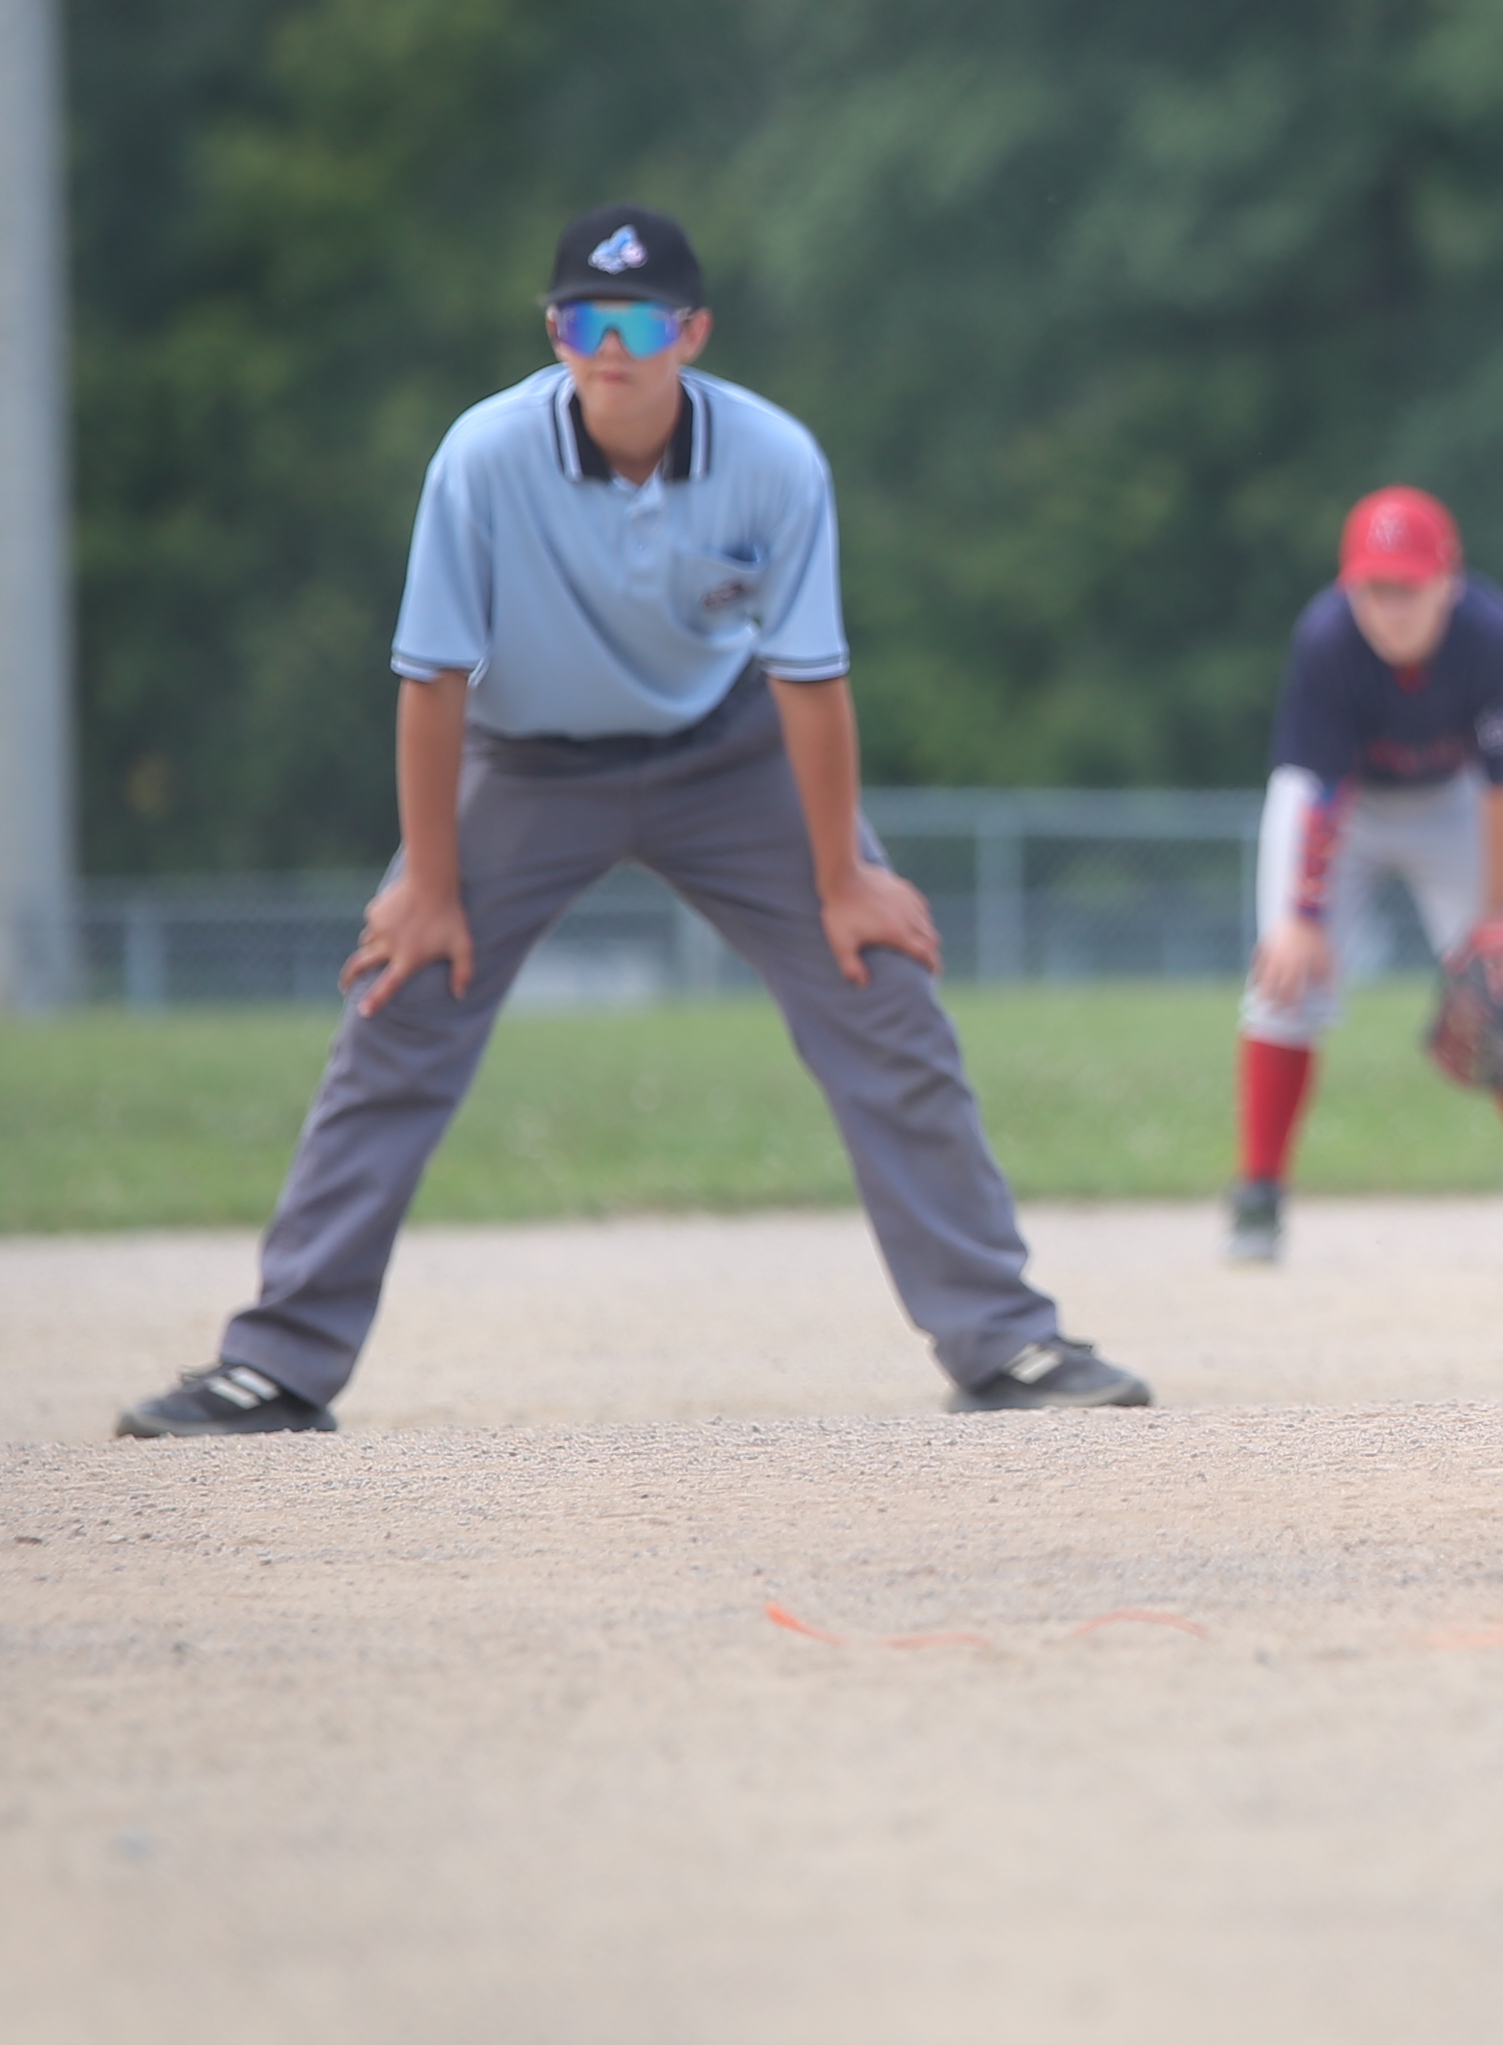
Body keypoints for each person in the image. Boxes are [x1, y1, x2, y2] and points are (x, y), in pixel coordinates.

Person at [116, 205, 1144, 1436]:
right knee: (399, 1003)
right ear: (553, 334)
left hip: (726, 756)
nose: (611, 346)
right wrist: (429, 887)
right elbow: (432, 680)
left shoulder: (774, 460)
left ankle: (1005, 1342)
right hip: (525, 764)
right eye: (582, 320)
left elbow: (811, 681)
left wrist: (842, 880)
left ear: (692, 334)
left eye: (641, 322)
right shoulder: (483, 457)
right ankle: (277, 1364)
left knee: (883, 989)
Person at [1223, 484, 1503, 1267]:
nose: (1389, 608)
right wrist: (1302, 916)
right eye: (1373, 589)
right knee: (1284, 985)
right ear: (1348, 589)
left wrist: (1498, 914)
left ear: (1448, 582)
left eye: (1407, 587)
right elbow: (1322, 786)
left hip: (1455, 803)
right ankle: (1257, 1197)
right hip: (1343, 808)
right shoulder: (1327, 638)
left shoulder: (1493, 635)